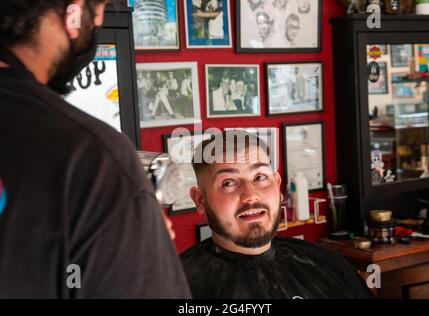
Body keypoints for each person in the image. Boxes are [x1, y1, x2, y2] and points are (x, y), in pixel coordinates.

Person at [0, 0, 190, 298]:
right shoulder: (89, 156)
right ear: (73, 12)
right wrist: (134, 247)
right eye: (99, 6)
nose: (100, 19)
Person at [181, 130, 374, 298]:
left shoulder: (330, 266)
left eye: (260, 177)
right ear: (200, 200)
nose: (250, 195)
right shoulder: (174, 286)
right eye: (229, 182)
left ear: (278, 185)